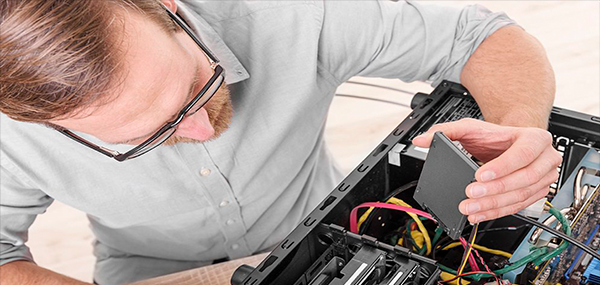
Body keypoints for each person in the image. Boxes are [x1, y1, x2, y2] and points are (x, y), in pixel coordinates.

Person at [0, 0, 561, 284]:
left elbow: (479, 36)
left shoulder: (278, 12)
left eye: (199, 84)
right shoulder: (10, 137)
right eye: (145, 138)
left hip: (321, 233)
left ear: (169, 10)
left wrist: (522, 127)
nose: (197, 131)